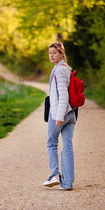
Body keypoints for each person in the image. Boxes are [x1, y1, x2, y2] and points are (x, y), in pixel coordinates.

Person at [43, 42, 76, 190]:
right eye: (50, 53)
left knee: (51, 143)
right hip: (71, 114)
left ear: (62, 54)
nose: (51, 55)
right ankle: (67, 183)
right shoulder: (64, 69)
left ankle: (55, 174)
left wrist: (59, 116)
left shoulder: (60, 71)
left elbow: (63, 95)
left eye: (54, 53)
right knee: (67, 146)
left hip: (60, 114)